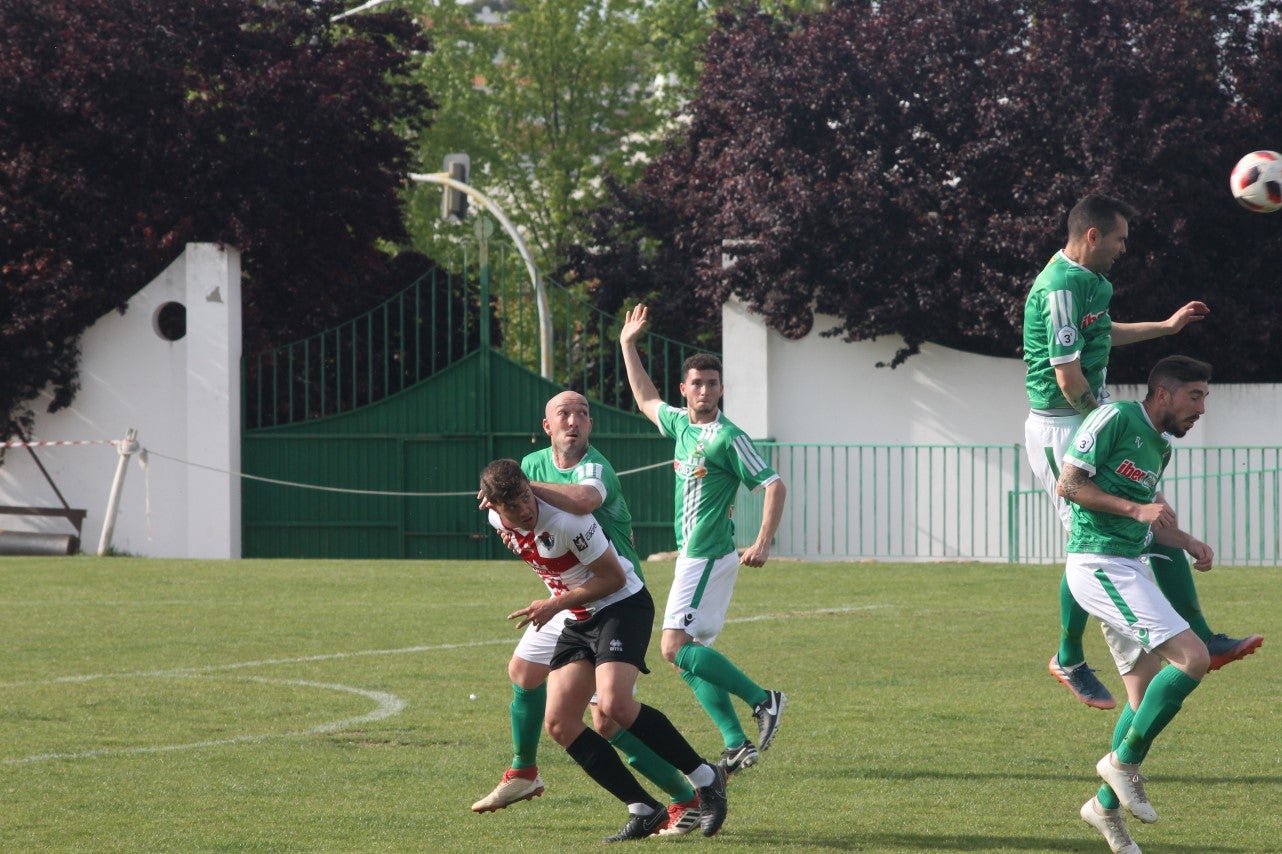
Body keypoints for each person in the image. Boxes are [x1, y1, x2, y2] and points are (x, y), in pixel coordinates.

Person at [1022, 193, 1260, 711]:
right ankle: (1068, 656)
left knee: (1156, 517)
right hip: (1062, 426)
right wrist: (1106, 426)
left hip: (1091, 417)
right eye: (1120, 239)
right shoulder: (1060, 287)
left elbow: (1103, 335)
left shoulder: (1093, 283)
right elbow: (1068, 378)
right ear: (1092, 236)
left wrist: (1166, 328)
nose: (1124, 249)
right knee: (1086, 543)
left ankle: (1203, 636)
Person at [472, 392, 703, 836]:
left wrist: (522, 491)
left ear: (591, 425)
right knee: (524, 672)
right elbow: (515, 512)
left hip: (614, 593)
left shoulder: (593, 470)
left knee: (608, 717)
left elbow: (581, 502)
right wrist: (507, 507)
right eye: (564, 414)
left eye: (582, 413)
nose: (574, 421)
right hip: (568, 599)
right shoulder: (528, 468)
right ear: (547, 426)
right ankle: (523, 771)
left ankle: (686, 795)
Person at [618, 304, 788, 773]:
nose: (705, 390)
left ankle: (763, 699)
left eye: (713, 383)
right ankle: (736, 743)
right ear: (685, 389)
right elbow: (646, 399)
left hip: (707, 555)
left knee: (673, 647)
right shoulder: (680, 424)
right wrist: (628, 345)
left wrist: (763, 541)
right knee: (687, 657)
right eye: (697, 383)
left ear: (721, 389)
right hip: (693, 556)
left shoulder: (726, 437)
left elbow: (774, 484)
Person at [1058, 356, 1217, 854]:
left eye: (1204, 398)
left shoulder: (1159, 447)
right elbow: (1069, 484)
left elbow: (1150, 518)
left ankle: (1104, 807)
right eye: (1195, 396)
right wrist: (1135, 508)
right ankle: (1122, 765)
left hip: (1129, 565)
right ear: (1163, 393)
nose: (1202, 408)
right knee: (1193, 658)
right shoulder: (1115, 417)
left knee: (1143, 697)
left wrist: (1187, 540)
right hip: (1098, 564)